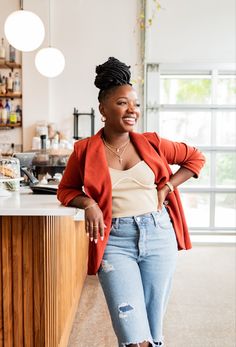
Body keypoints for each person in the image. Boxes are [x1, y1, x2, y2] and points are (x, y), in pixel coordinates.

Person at [57, 57, 205, 347]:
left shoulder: (152, 143)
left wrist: (168, 187)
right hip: (114, 241)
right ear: (103, 109)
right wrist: (89, 203)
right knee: (132, 334)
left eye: (135, 104)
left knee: (152, 332)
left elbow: (195, 158)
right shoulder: (84, 150)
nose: (132, 110)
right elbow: (66, 190)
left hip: (158, 233)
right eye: (122, 103)